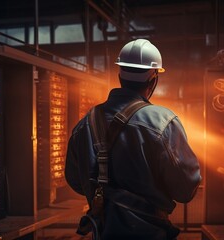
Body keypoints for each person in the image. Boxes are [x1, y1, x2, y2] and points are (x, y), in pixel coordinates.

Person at [65, 38, 201, 240]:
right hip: (152, 233)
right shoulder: (163, 122)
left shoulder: (85, 124)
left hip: (102, 232)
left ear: (120, 75)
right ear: (153, 78)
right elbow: (185, 189)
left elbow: (76, 182)